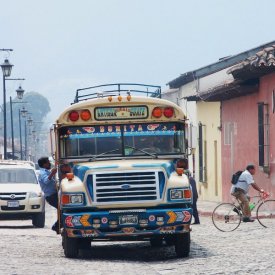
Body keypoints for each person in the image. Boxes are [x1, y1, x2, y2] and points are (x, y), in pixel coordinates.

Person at [38, 157, 59, 233]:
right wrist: (52, 173)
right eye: (48, 162)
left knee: (62, 209)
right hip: (51, 196)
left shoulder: (46, 171)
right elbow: (46, 181)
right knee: (62, 209)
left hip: (54, 194)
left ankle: (58, 225)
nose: (49, 163)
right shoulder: (42, 173)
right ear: (44, 164)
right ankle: (56, 226)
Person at [177, 158, 200, 224]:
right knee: (193, 207)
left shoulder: (180, 172)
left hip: (189, 191)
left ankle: (193, 220)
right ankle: (196, 220)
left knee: (191, 207)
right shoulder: (188, 173)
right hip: (192, 191)